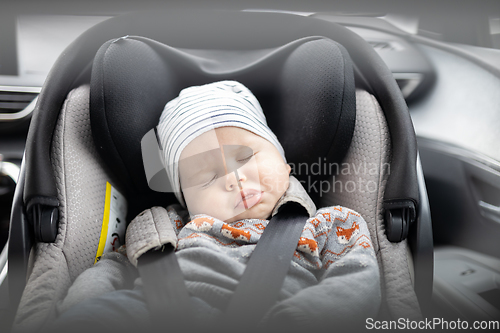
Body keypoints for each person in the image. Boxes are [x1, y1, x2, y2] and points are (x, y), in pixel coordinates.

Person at [51, 81, 380, 332]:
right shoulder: (166, 228)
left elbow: (356, 278)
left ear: (283, 161)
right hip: (155, 309)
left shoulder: (330, 224)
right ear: (185, 201)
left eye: (246, 156)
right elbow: (113, 269)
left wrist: (306, 315)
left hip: (280, 311)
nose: (235, 179)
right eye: (207, 177)